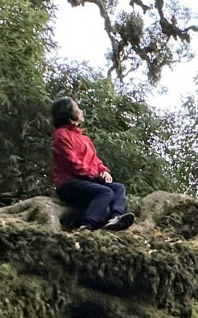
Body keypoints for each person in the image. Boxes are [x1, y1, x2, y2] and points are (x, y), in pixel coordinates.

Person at [50, 97, 136, 231]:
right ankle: (86, 225)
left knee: (119, 188)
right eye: (77, 107)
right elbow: (72, 162)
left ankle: (115, 219)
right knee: (105, 192)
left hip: (88, 180)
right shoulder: (61, 135)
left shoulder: (84, 138)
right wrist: (96, 175)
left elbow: (95, 160)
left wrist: (104, 171)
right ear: (68, 112)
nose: (81, 111)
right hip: (69, 183)